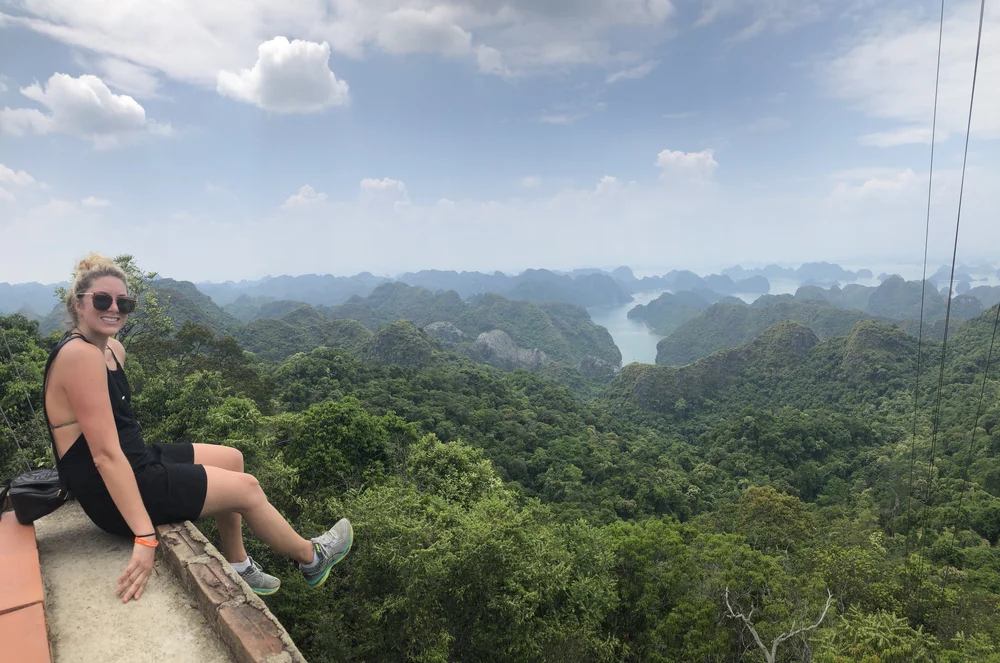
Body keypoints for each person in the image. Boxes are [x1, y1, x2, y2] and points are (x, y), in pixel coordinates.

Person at [43, 253, 353, 603]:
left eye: (124, 302)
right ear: (77, 305)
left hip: (139, 458)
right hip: (113, 491)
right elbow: (104, 455)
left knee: (232, 458)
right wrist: (145, 536)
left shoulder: (112, 349)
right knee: (247, 488)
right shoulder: (79, 355)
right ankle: (311, 558)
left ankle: (237, 565)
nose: (114, 308)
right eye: (102, 299)